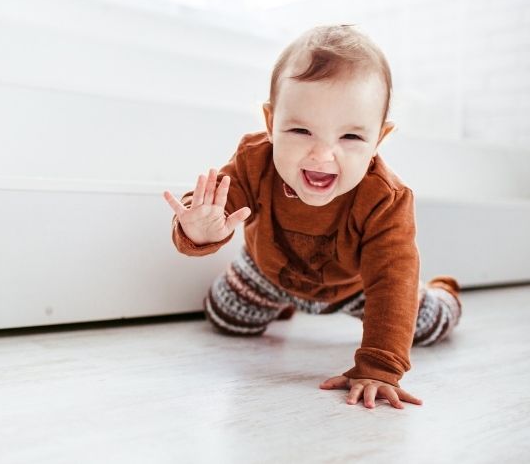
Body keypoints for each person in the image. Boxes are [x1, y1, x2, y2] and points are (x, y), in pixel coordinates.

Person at [162, 24, 461, 410]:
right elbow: (216, 201)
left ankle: (444, 293)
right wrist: (199, 229)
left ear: (378, 140)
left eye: (351, 138)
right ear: (271, 124)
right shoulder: (254, 161)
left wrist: (378, 367)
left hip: (355, 287)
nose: (322, 155)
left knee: (424, 325)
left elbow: (391, 280)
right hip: (266, 272)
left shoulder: (385, 199)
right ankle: (282, 304)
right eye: (301, 130)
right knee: (226, 318)